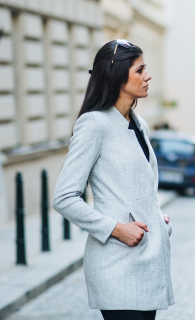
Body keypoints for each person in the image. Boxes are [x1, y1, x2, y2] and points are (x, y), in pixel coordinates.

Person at [52, 39, 174, 320]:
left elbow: (135, 187)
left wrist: (155, 216)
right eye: (140, 70)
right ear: (118, 75)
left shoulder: (138, 123)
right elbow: (64, 198)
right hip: (117, 265)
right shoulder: (94, 124)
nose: (148, 76)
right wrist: (116, 229)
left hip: (146, 261)